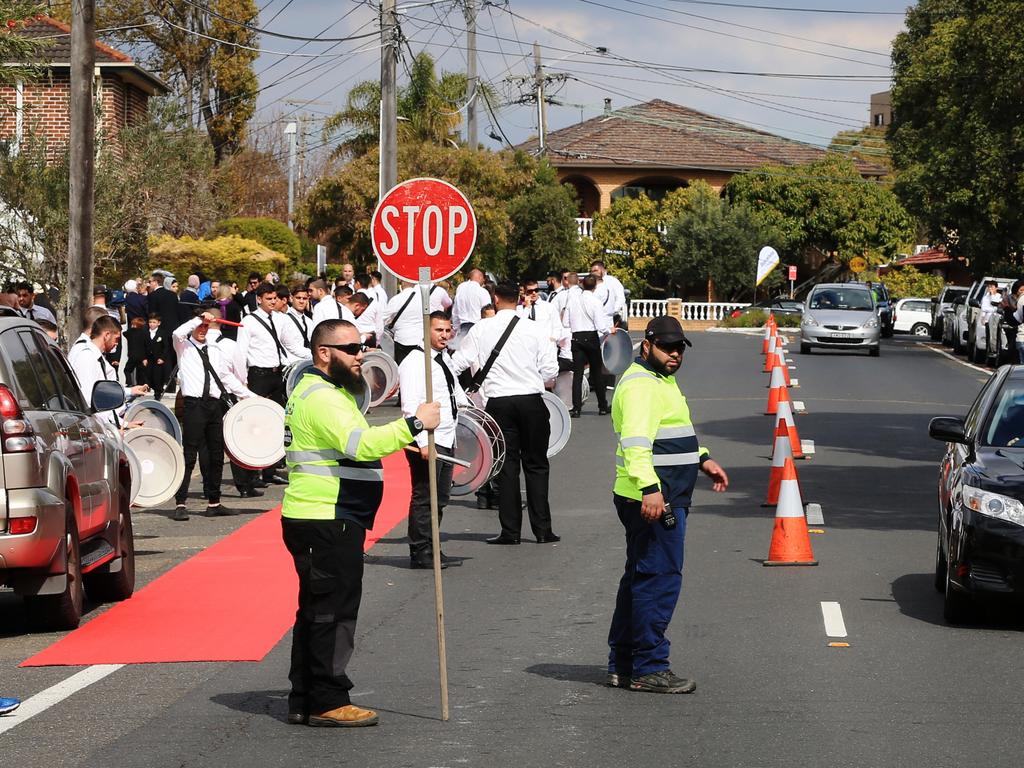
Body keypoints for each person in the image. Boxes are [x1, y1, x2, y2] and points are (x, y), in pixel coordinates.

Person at [281, 319, 440, 727]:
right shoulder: (323, 397)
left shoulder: (322, 392)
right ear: (323, 353)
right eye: (350, 348)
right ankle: (328, 699)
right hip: (328, 517)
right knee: (333, 612)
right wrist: (415, 423)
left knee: (316, 610)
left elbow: (348, 442)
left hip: (320, 515)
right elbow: (360, 444)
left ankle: (306, 696)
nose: (360, 354)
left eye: (362, 345)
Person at [607, 316, 728, 694]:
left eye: (679, 349)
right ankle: (648, 666)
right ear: (647, 346)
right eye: (667, 347)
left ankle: (624, 663)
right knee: (658, 581)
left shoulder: (661, 380)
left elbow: (674, 431)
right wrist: (650, 489)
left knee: (640, 579)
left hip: (657, 494)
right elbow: (637, 444)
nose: (675, 354)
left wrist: (702, 458)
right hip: (655, 498)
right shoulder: (643, 386)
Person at [452, 282, 560, 545]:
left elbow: (457, 364)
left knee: (505, 467)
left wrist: (460, 397)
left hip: (499, 403)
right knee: (536, 465)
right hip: (531, 400)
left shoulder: (482, 328)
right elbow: (550, 370)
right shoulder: (535, 329)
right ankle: (543, 530)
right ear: (519, 299)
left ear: (496, 299)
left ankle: (510, 532)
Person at [398, 312, 469, 569]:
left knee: (440, 498)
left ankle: (433, 546)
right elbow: (410, 407)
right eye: (439, 330)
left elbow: (454, 392)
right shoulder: (415, 362)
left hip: (446, 436)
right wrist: (422, 443)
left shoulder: (443, 358)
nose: (444, 335)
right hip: (429, 438)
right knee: (424, 496)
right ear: (426, 331)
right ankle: (420, 551)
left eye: (448, 330)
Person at [170, 309, 256, 521]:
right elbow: (177, 333)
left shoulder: (215, 349)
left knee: (216, 455)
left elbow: (225, 378)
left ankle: (214, 501)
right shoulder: (184, 346)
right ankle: (181, 502)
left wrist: (251, 397)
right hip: (194, 405)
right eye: (200, 326)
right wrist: (199, 318)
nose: (202, 330)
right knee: (190, 455)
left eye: (206, 327)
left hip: (213, 404)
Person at [241, 283, 310, 484]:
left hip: (276, 374)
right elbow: (241, 352)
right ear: (259, 299)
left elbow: (293, 346)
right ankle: (252, 474)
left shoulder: (281, 320)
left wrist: (315, 354)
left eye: (274, 298)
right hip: (257, 375)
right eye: (268, 298)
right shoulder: (249, 321)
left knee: (278, 423)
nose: (272, 302)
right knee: (255, 424)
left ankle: (270, 470)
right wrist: (242, 381)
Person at [74, 316, 149, 420]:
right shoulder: (87, 357)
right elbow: (90, 401)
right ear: (107, 335)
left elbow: (104, 392)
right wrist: (117, 425)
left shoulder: (97, 356)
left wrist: (130, 391)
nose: (117, 344)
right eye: (116, 339)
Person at [563, 274, 612, 417]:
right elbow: (601, 326)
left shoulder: (572, 300)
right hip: (591, 337)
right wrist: (610, 330)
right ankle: (602, 405)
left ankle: (576, 408)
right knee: (597, 373)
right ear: (595, 286)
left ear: (582, 284)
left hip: (576, 337)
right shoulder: (596, 302)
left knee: (577, 374)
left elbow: (565, 323)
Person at [384, 281, 452, 364]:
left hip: (402, 339)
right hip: (421, 338)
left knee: (403, 368)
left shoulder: (397, 299)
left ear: (402, 284)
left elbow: (384, 318)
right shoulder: (425, 298)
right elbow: (447, 304)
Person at [451, 267, 492, 339]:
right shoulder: (482, 292)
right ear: (480, 277)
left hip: (462, 328)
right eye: (483, 278)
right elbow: (488, 313)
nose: (484, 281)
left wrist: (455, 328)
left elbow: (455, 311)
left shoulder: (460, 288)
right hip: (476, 328)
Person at [124, 316, 150, 387]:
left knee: (127, 370)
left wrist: (131, 328)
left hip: (132, 355)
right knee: (141, 372)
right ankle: (144, 384)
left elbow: (124, 333)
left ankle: (129, 383)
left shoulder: (130, 332)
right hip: (142, 356)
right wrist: (146, 358)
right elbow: (147, 346)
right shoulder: (145, 333)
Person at [285, 284, 314, 348]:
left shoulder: (309, 322)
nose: (301, 301)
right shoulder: (284, 320)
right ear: (291, 298)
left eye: (304, 298)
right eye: (298, 298)